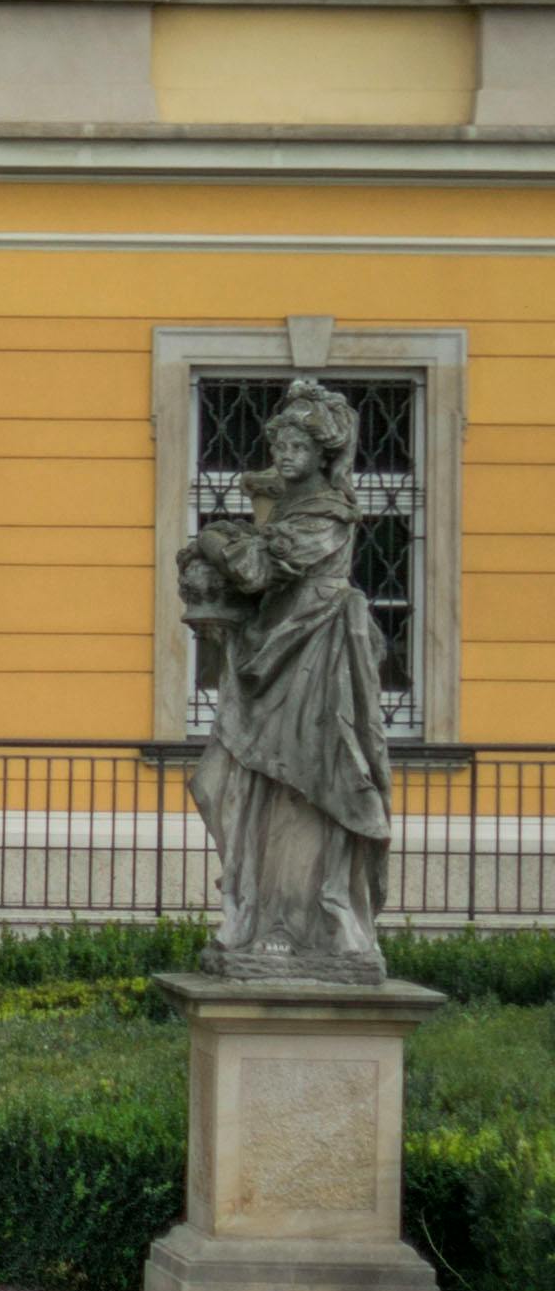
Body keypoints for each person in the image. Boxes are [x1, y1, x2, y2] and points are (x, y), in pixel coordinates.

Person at [179, 383, 398, 979]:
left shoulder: (327, 514)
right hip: (267, 656)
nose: (285, 454)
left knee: (310, 788)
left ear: (324, 452)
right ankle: (253, 913)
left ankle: (308, 922)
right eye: (279, 444)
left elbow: (256, 568)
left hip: (318, 660)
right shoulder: (287, 512)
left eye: (298, 445)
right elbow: (255, 570)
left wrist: (213, 537)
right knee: (228, 784)